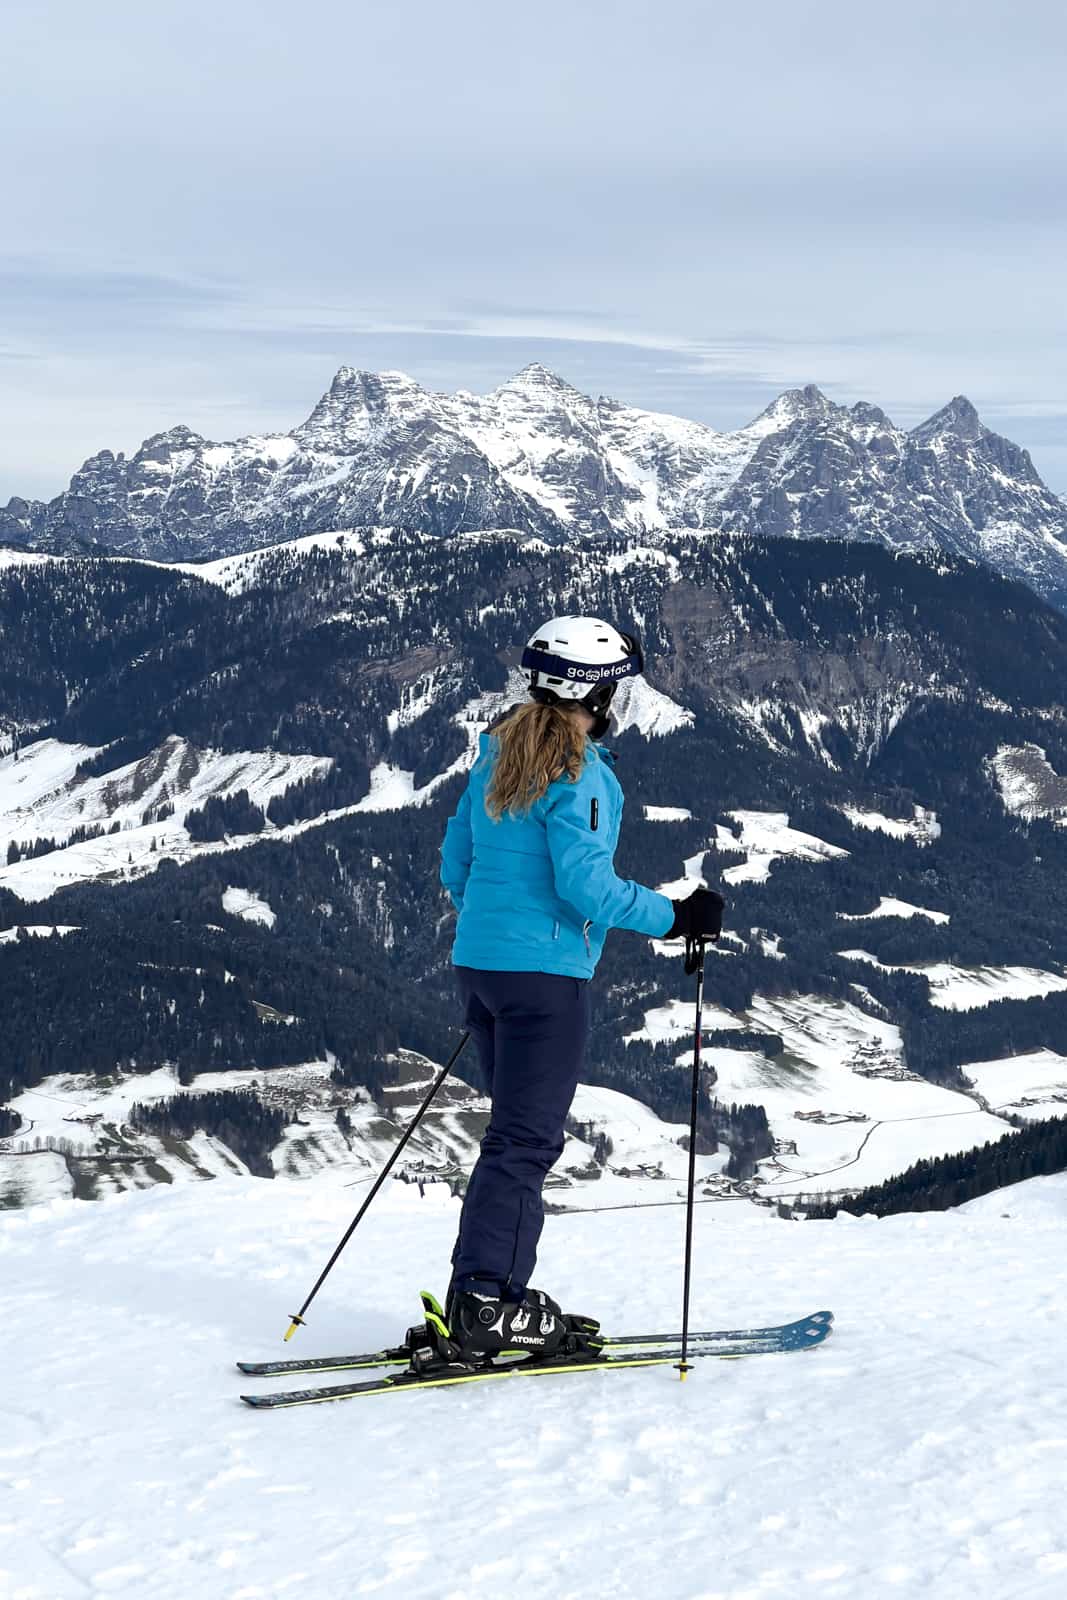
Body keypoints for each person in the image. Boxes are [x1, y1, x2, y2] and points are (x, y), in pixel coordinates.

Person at [437, 615, 724, 1363]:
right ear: (592, 695)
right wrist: (675, 916)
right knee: (524, 1142)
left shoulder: (494, 759)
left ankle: (481, 1290)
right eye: (613, 690)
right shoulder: (581, 775)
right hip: (544, 982)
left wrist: (498, 935)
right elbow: (586, 887)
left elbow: (454, 869)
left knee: (510, 1136)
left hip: (481, 969)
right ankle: (485, 1303)